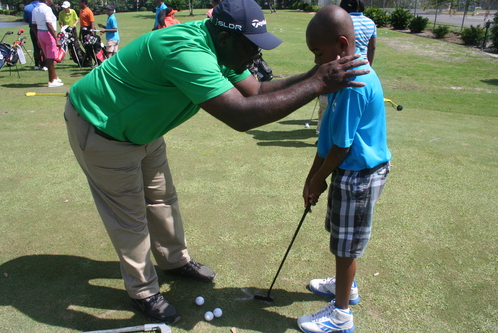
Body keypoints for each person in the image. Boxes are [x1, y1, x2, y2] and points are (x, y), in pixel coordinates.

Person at [64, 0, 369, 325]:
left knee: (162, 198)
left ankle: (173, 261)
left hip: (144, 130)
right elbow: (240, 115)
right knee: (130, 217)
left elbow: (256, 91)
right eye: (251, 48)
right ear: (226, 39)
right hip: (103, 127)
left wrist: (313, 74)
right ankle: (143, 291)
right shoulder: (188, 54)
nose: (255, 56)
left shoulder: (222, 47)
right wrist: (318, 84)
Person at [297, 5, 391, 333]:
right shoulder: (341, 77)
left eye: (318, 53)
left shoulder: (355, 84)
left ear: (341, 45)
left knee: (345, 246)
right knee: (340, 236)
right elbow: (327, 139)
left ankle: (341, 316)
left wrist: (319, 179)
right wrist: (312, 178)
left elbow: (342, 147)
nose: (315, 61)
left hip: (360, 174)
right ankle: (345, 286)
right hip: (347, 171)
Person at [315, 0, 377, 136]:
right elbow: (371, 47)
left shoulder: (343, 21)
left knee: (332, 105)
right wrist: (368, 65)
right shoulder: (370, 22)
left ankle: (324, 132)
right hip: (363, 67)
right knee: (354, 111)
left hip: (340, 68)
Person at [31, 0, 63, 87]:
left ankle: (54, 77)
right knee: (50, 58)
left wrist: (37, 38)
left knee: (48, 56)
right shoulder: (47, 9)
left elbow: (34, 25)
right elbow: (49, 24)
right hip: (48, 34)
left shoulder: (35, 9)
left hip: (40, 33)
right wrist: (56, 39)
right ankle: (51, 81)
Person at [23, 0, 45, 70]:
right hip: (42, 28)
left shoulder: (27, 7)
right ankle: (44, 64)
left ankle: (36, 64)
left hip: (32, 28)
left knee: (35, 46)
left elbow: (26, 19)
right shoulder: (44, 6)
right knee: (43, 46)